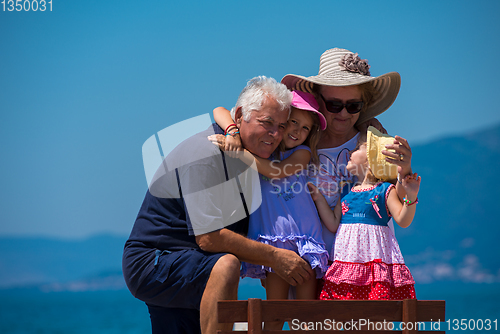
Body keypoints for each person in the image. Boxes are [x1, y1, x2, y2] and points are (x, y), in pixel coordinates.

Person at [122, 76, 315, 334]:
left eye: (281, 126)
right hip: (157, 260)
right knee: (226, 265)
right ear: (239, 116)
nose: (276, 134)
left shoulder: (253, 153)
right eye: (267, 123)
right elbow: (209, 238)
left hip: (192, 262)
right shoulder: (207, 153)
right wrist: (275, 257)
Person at [281, 48, 414, 259]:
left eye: (353, 106)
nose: (343, 113)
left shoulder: (374, 146)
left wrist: (404, 171)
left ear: (364, 105)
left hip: (365, 267)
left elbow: (401, 207)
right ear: (317, 100)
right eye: (334, 105)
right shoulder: (297, 143)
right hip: (308, 263)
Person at [208, 91, 329, 315]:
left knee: (305, 316)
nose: (298, 131)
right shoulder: (265, 149)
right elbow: (219, 111)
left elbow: (276, 172)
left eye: (305, 128)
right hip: (274, 241)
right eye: (293, 122)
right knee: (274, 313)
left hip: (305, 238)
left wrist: (237, 151)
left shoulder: (302, 153)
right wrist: (232, 132)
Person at [309, 127, 420, 300]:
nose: (350, 152)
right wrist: (318, 198)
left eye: (356, 149)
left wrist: (411, 196)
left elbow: (403, 219)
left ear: (370, 161)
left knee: (373, 319)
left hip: (374, 268)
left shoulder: (384, 190)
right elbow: (333, 223)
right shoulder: (345, 191)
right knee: (343, 314)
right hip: (346, 266)